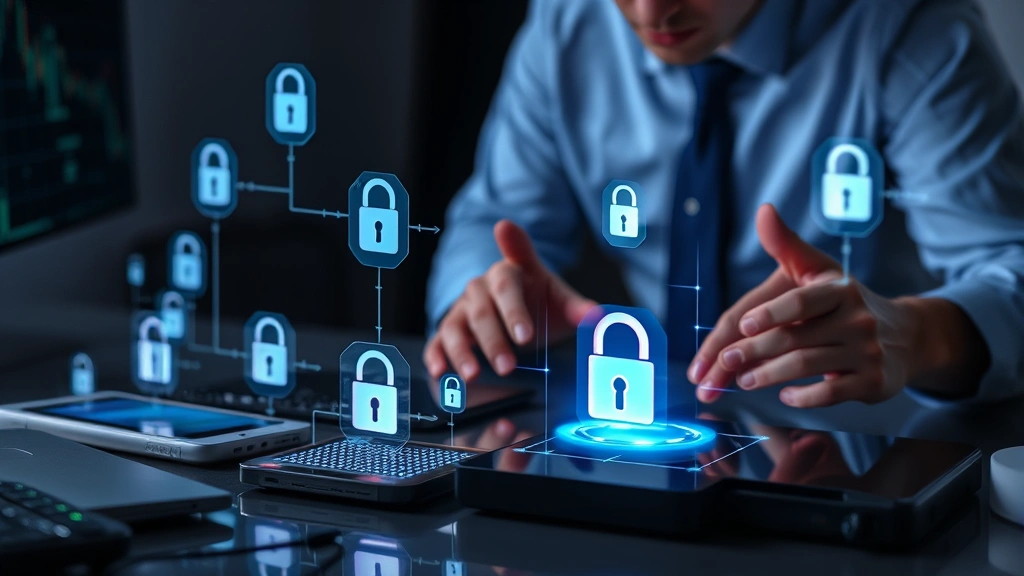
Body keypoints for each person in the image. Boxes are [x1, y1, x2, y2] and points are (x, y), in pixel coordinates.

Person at [423, 0, 1024, 408]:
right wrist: (492, 306)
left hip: (866, 439)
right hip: (651, 432)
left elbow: (1008, 266)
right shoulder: (568, 22)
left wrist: (919, 337)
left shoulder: (915, 32)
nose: (649, 10)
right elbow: (491, 219)